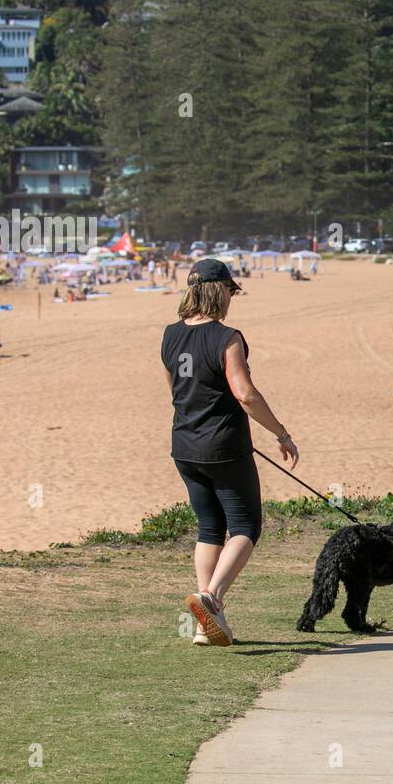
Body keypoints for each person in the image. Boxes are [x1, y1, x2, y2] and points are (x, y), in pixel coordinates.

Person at [162, 258, 298, 647]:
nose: (232, 297)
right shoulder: (227, 337)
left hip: (185, 445)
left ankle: (208, 623)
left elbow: (175, 390)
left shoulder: (170, 334)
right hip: (222, 448)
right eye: (231, 290)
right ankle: (212, 598)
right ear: (218, 291)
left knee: (209, 528)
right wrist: (281, 433)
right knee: (245, 527)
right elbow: (245, 394)